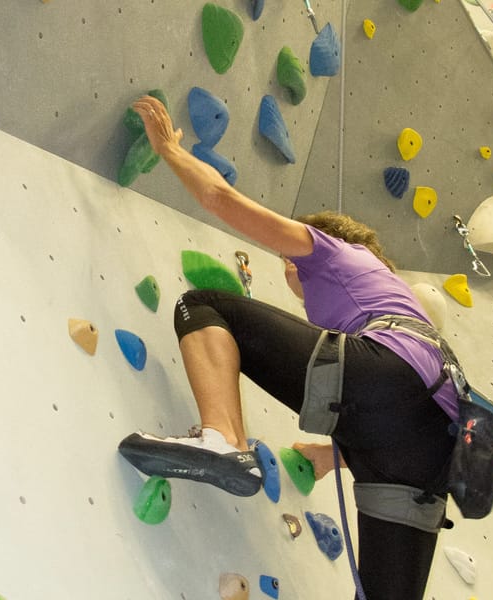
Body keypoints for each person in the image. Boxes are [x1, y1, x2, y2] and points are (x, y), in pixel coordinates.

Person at [118, 95, 460, 600]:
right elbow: (402, 417)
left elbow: (221, 199)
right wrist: (330, 456)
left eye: (287, 265)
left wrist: (169, 148)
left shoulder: (337, 252)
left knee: (204, 306)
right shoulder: (391, 299)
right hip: (434, 450)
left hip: (392, 377)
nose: (290, 277)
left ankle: (223, 440)